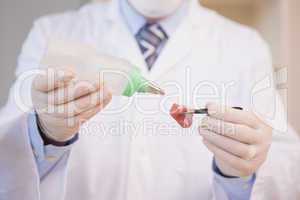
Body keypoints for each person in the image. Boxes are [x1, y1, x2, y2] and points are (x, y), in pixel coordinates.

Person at [0, 0, 281, 199]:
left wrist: (239, 175)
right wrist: (44, 134)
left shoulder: (246, 46)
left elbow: (284, 169)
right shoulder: (52, 33)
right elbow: (7, 169)